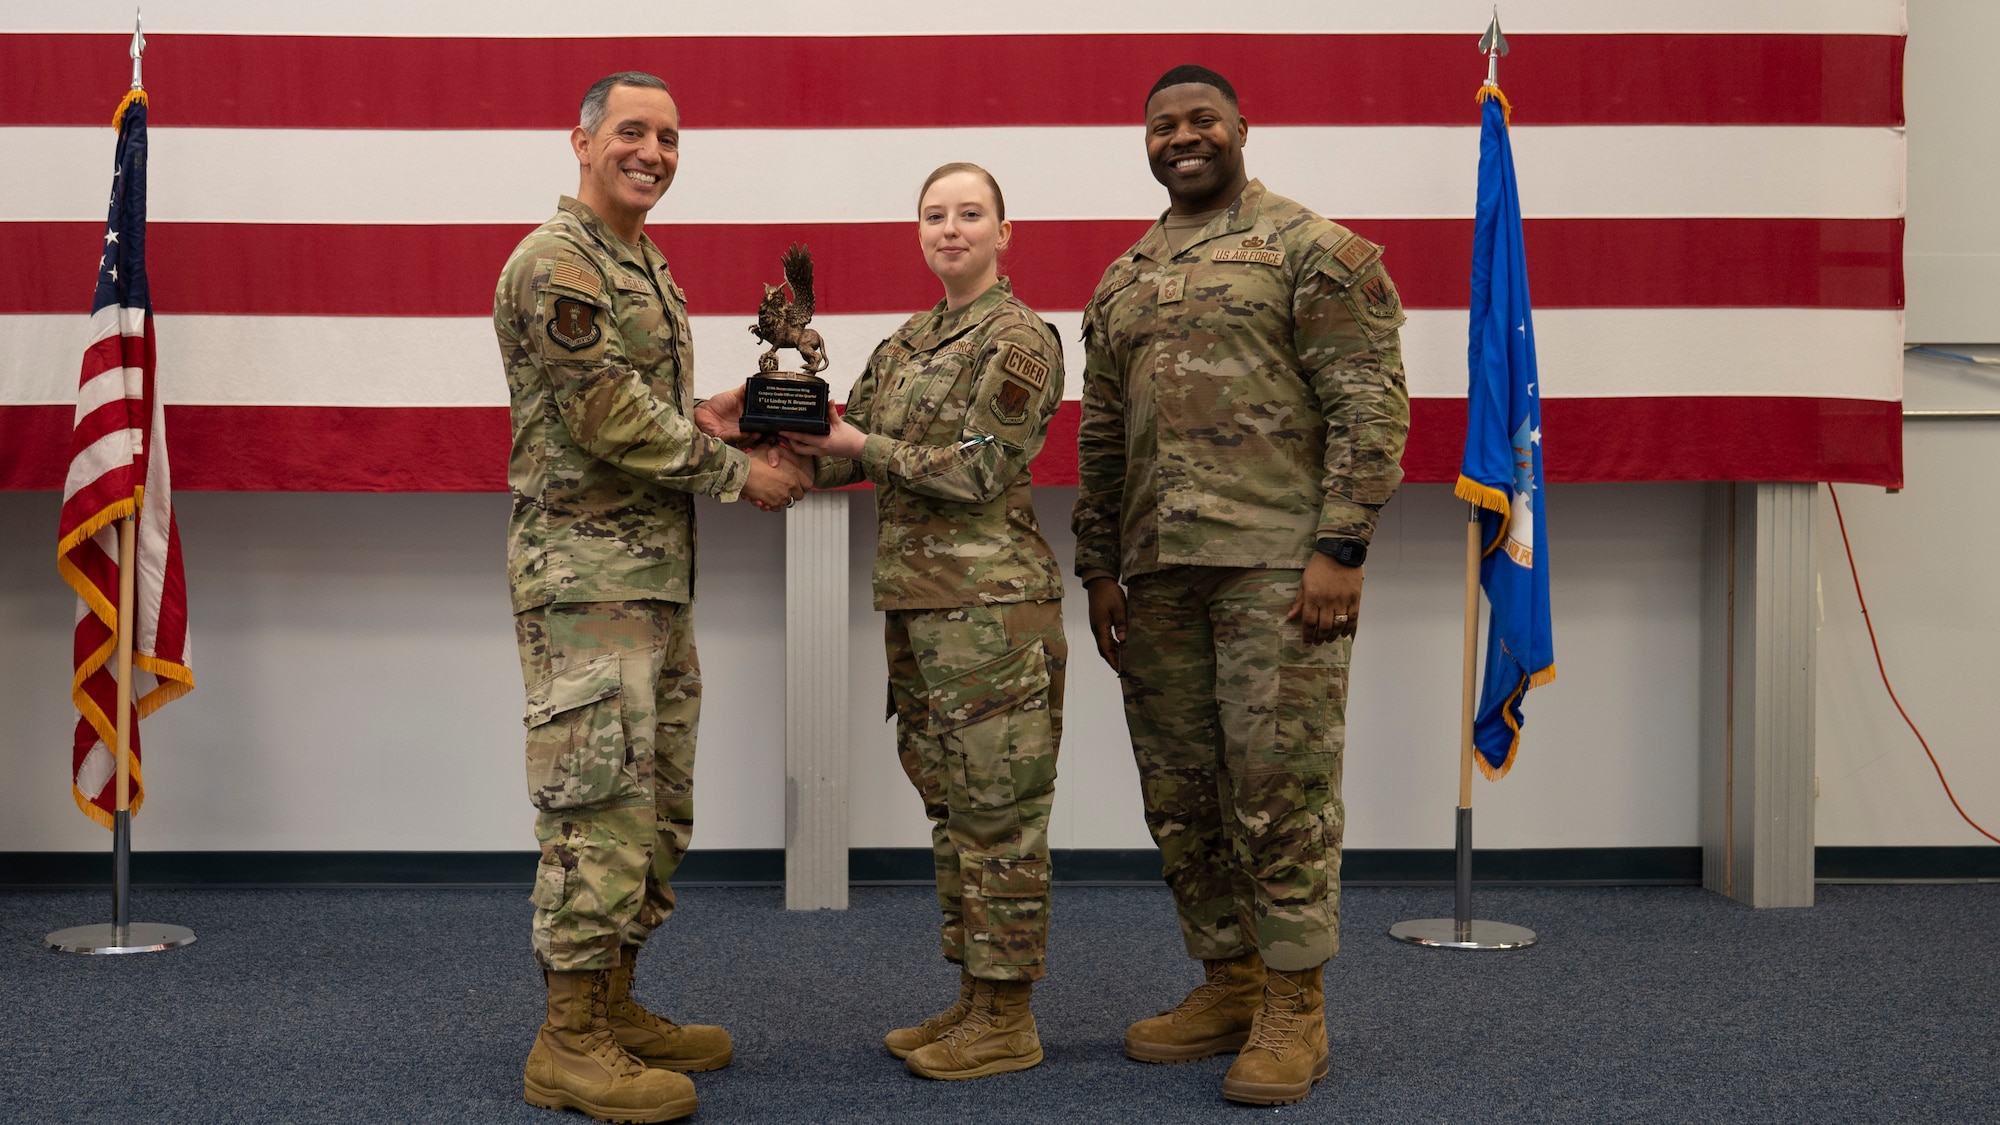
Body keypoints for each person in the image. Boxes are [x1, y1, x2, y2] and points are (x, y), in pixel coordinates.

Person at [1072, 65, 1410, 1107]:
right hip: (1157, 575)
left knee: (1280, 792)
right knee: (1183, 796)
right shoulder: (1122, 278)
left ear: (1239, 129)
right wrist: (1096, 565)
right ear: (1145, 142)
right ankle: (1227, 979)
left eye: (1200, 120)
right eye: (1163, 125)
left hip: (1275, 566)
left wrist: (1340, 546)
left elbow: (1367, 399)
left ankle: (1295, 1008)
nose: (1182, 137)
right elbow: (1100, 436)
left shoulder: (1310, 248)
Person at [494, 70, 810, 1124]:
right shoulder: (558, 264)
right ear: (579, 139)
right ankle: (566, 1041)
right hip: (585, 583)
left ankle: (614, 1004)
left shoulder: (638, 265)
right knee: (596, 807)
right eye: (633, 131)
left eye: (669, 137)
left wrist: (710, 414)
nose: (654, 151)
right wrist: (738, 475)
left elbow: (641, 407)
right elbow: (602, 417)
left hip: (648, 581)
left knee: (655, 807)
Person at [709, 162, 1067, 1081]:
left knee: (1001, 816)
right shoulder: (908, 344)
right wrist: (763, 440)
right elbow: (849, 454)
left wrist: (855, 443)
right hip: (919, 611)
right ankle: (975, 996)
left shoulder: (1021, 338)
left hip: (992, 615)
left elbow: (981, 466)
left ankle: (1010, 1016)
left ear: (1004, 231)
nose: (952, 229)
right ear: (919, 233)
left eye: (970, 214)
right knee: (952, 812)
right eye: (935, 216)